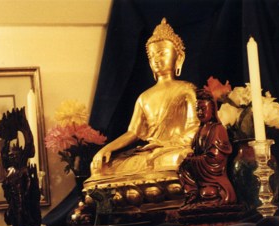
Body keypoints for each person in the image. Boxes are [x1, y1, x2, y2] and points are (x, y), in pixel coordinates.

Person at [84, 18, 199, 205]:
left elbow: (195, 127)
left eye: (162, 53)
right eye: (152, 56)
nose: (156, 60)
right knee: (103, 167)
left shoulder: (187, 89)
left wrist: (167, 145)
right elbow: (134, 132)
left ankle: (130, 193)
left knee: (178, 159)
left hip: (173, 150)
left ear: (179, 57)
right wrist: (107, 149)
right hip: (148, 153)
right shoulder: (144, 97)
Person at [178, 89, 236, 205]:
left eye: (203, 109)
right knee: (182, 168)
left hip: (213, 180)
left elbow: (215, 160)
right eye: (197, 110)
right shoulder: (199, 130)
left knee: (208, 193)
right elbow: (196, 152)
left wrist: (194, 161)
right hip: (200, 178)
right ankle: (192, 193)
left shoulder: (218, 129)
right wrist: (191, 158)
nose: (199, 112)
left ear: (213, 110)